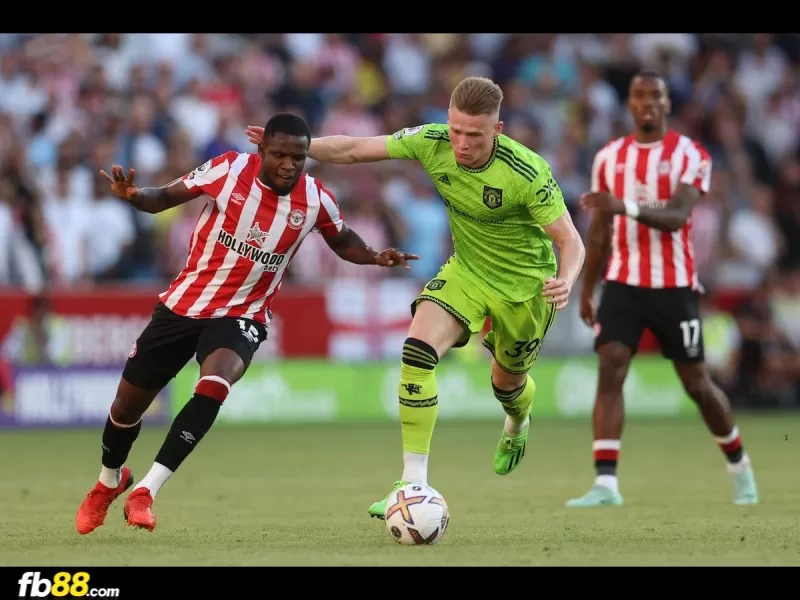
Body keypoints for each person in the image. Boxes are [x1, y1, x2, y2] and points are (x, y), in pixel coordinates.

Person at [247, 76, 585, 520]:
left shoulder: (527, 172)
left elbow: (571, 241)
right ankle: (412, 483)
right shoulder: (431, 141)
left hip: (525, 288)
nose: (461, 144)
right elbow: (352, 149)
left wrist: (567, 278)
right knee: (416, 353)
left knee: (507, 384)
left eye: (475, 136)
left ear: (497, 132)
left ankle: (518, 422)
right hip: (467, 272)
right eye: (456, 130)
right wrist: (297, 148)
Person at [75, 113, 418, 534]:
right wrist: (133, 195)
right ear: (261, 152)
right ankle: (109, 481)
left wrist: (375, 255)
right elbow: (163, 197)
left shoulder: (316, 200)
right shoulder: (228, 169)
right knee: (126, 408)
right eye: (280, 154)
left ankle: (147, 489)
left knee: (215, 383)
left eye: (299, 157)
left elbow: (342, 239)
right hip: (184, 305)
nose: (290, 164)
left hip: (243, 314)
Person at [572, 71, 759, 507]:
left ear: (667, 103)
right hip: (622, 282)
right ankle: (605, 484)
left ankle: (740, 467)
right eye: (639, 96)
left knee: (696, 384)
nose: (647, 103)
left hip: (674, 286)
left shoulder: (690, 154)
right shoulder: (609, 158)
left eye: (655, 95)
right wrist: (587, 289)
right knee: (611, 366)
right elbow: (599, 231)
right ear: (630, 105)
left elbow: (678, 215)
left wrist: (626, 206)